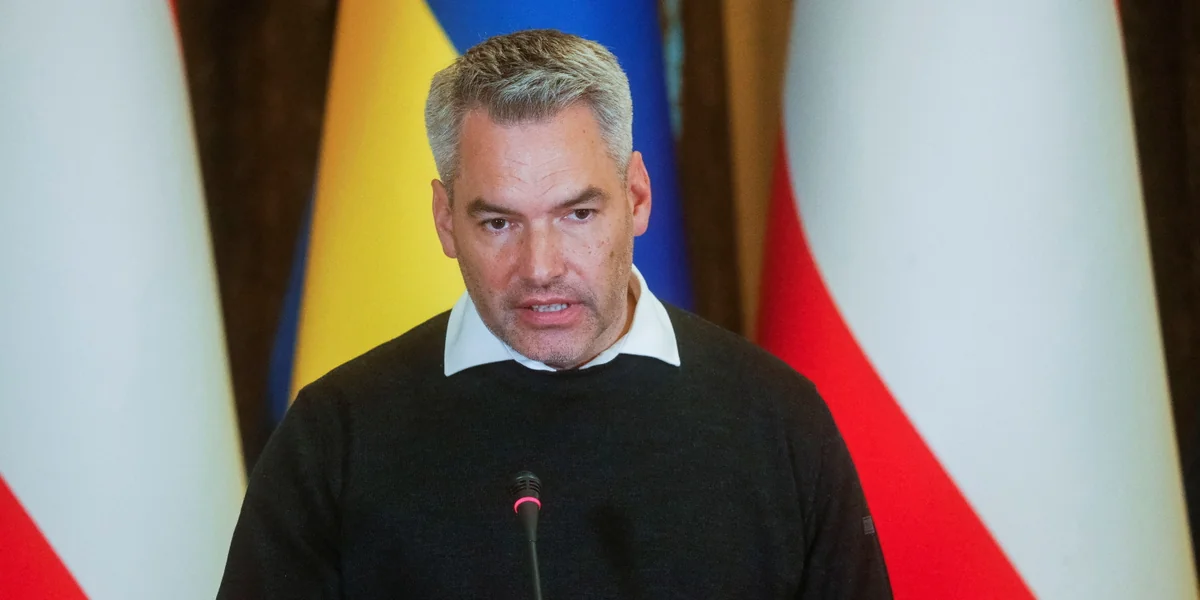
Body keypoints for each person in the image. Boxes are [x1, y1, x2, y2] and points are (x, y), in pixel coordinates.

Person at [216, 29, 892, 599]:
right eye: (499, 222)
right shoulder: (337, 438)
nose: (540, 267)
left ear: (637, 197)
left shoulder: (777, 419)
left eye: (577, 214)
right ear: (446, 221)